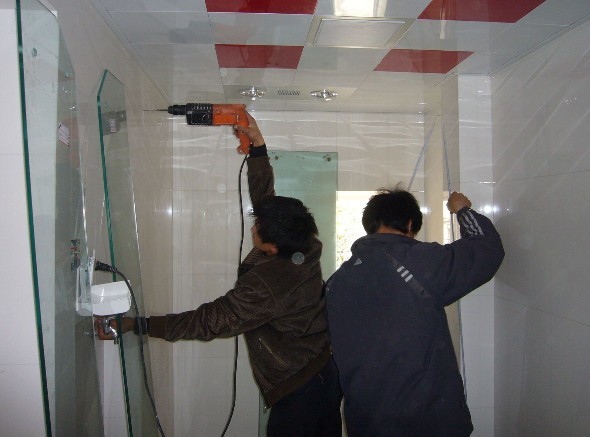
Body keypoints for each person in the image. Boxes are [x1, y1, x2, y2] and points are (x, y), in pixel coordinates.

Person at [97, 113, 342, 436]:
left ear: (272, 246)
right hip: (323, 369)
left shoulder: (269, 284)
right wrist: (258, 148)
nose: (253, 227)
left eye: (258, 227)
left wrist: (138, 325)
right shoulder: (303, 244)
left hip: (301, 388)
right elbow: (266, 200)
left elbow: (209, 321)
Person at [324, 187, 504, 436]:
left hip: (367, 419)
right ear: (410, 224)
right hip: (425, 419)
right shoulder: (418, 261)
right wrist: (463, 210)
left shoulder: (337, 281)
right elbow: (486, 249)